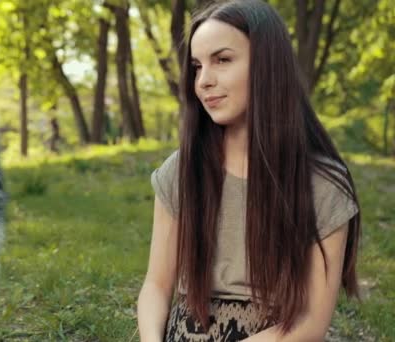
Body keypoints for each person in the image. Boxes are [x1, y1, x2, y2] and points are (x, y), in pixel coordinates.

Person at [137, 0, 361, 341]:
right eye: (197, 66)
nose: (204, 81)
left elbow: (311, 323)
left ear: (267, 66)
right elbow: (155, 285)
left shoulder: (323, 186)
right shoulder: (182, 170)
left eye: (222, 60)